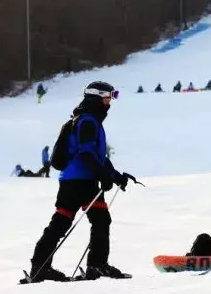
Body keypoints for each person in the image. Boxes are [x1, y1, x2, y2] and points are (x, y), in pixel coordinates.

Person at [26, 81, 136, 282]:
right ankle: (97, 265)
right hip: (83, 181)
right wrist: (102, 175)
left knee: (61, 222)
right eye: (107, 97)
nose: (109, 102)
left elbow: (98, 156)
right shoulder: (88, 122)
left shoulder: (85, 119)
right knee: (101, 220)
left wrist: (115, 176)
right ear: (96, 97)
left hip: (70, 181)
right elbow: (87, 153)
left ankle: (39, 267)